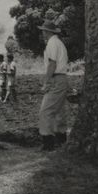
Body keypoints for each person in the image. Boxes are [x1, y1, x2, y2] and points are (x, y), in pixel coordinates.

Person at [37, 20, 69, 151]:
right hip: (62, 78)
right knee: (60, 111)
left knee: (45, 111)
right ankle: (61, 141)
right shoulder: (59, 43)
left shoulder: (51, 43)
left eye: (43, 30)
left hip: (56, 78)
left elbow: (52, 64)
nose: (42, 33)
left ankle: (48, 144)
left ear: (48, 32)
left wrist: (46, 81)